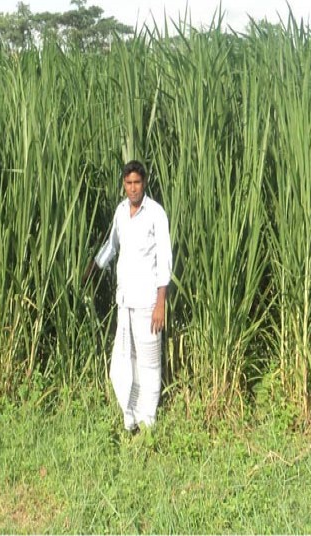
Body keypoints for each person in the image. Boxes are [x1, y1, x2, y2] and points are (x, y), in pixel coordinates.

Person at [84, 160, 172, 434]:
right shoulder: (122, 212)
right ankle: (130, 417)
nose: (133, 188)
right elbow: (111, 246)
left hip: (148, 302)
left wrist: (161, 303)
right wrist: (91, 270)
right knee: (124, 361)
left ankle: (149, 420)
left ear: (144, 183)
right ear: (123, 184)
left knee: (149, 362)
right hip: (125, 302)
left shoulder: (156, 214)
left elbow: (164, 259)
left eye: (137, 182)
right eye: (128, 183)